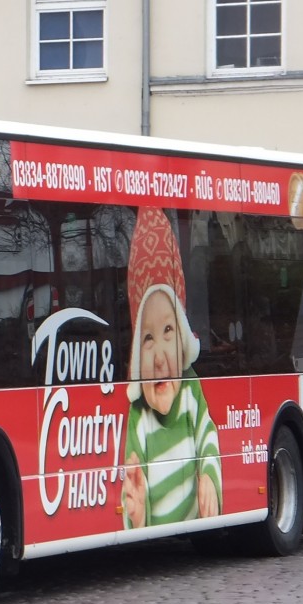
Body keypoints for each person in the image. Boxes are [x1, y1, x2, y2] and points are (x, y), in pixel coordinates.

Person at [122, 207, 223, 529]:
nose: (159, 357)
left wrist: (209, 477)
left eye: (168, 331)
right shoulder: (138, 416)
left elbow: (208, 436)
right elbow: (133, 481)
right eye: (148, 338)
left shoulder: (191, 390)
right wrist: (137, 512)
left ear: (182, 339)